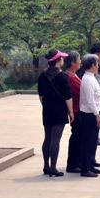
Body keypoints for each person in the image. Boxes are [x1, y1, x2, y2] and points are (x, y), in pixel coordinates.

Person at [37, 49, 73, 177]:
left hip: (47, 109)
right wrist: (71, 112)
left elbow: (41, 96)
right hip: (59, 109)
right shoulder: (63, 76)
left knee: (47, 138)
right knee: (55, 139)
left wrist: (47, 105)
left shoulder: (42, 75)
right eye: (61, 58)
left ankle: (46, 166)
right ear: (58, 61)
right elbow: (68, 96)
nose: (63, 60)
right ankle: (53, 168)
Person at [78, 53, 100, 177]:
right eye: (97, 63)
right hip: (89, 115)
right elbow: (90, 100)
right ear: (93, 65)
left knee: (92, 142)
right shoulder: (88, 79)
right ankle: (85, 169)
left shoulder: (91, 77)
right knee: (88, 142)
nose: (98, 65)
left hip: (92, 114)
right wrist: (97, 115)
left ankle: (90, 166)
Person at [63, 51, 84, 173]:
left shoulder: (74, 75)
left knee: (78, 137)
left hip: (78, 109)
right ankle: (72, 164)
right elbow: (81, 91)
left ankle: (77, 162)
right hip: (76, 111)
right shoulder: (70, 77)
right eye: (78, 59)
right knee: (76, 137)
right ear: (72, 63)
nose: (80, 62)